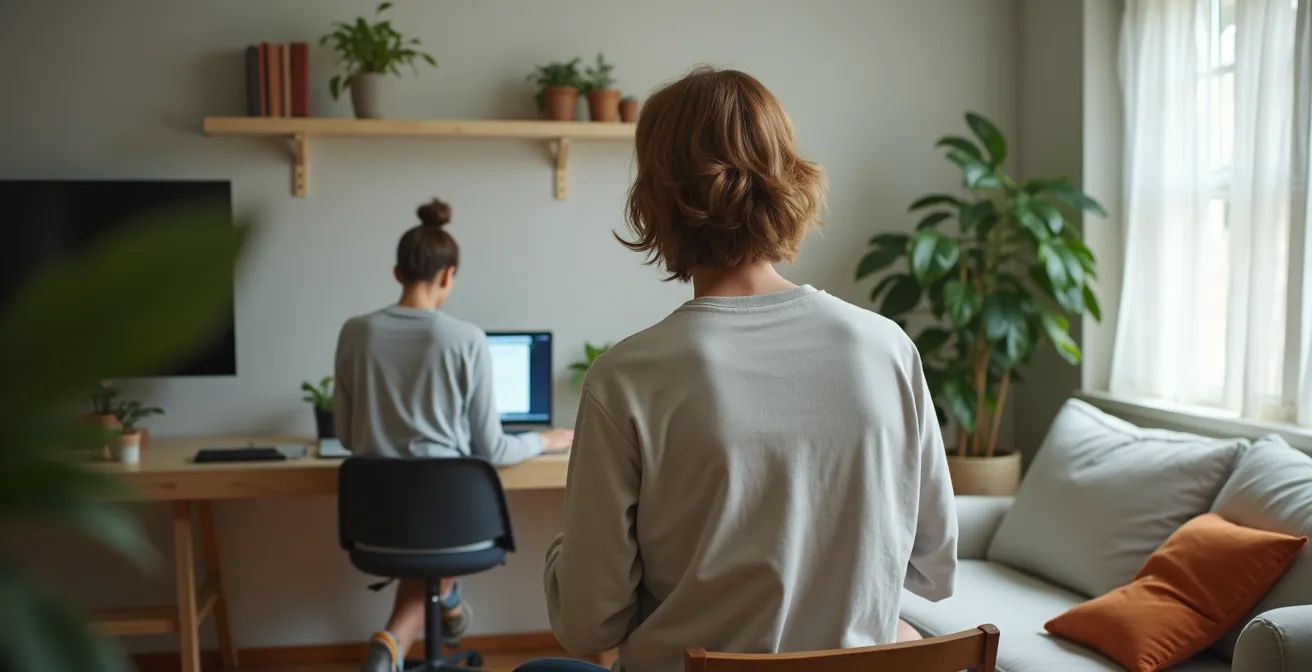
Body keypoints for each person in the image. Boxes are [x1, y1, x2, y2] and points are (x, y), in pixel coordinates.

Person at [521, 67, 958, 672]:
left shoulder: (626, 379)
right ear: (789, 178)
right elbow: (933, 568)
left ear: (654, 198)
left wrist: (568, 554)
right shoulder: (888, 348)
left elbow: (589, 623)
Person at [334, 199, 574, 672]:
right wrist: (544, 440)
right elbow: (493, 450)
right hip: (454, 527)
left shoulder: (354, 332)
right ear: (449, 275)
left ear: (397, 273)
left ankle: (398, 639)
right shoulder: (465, 339)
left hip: (377, 527)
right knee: (434, 544)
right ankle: (444, 602)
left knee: (422, 540)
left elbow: (345, 435)